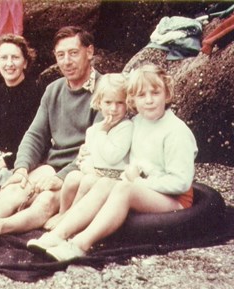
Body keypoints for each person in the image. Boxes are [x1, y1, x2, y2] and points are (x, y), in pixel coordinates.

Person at [28, 64, 198, 261]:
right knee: (105, 183)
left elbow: (181, 182)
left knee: (124, 189)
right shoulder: (138, 123)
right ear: (132, 99)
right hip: (144, 187)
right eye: (142, 95)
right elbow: (118, 157)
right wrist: (88, 155)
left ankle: (80, 245)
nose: (149, 100)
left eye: (155, 93)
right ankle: (57, 236)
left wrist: (139, 183)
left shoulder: (176, 131)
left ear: (167, 94)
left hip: (174, 198)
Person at [0, 26, 102, 240]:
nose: (67, 61)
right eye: (61, 55)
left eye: (73, 53)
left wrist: (61, 177)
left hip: (81, 171)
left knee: (45, 200)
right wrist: (21, 168)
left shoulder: (105, 90)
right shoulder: (54, 89)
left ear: (89, 51)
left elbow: (98, 149)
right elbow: (35, 135)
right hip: (51, 165)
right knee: (16, 187)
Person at [44, 73, 133, 230]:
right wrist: (86, 166)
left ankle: (70, 217)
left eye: (120, 103)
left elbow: (113, 157)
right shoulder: (94, 129)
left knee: (88, 181)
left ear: (127, 104)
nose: (113, 108)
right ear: (99, 102)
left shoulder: (126, 127)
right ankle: (62, 212)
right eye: (108, 102)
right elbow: (86, 156)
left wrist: (104, 133)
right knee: (72, 177)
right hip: (94, 172)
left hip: (113, 176)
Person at [0, 34, 43, 194]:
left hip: (20, 163)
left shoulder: (37, 94)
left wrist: (8, 161)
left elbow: (39, 140)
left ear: (25, 62)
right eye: (3, 58)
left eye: (15, 57)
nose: (9, 63)